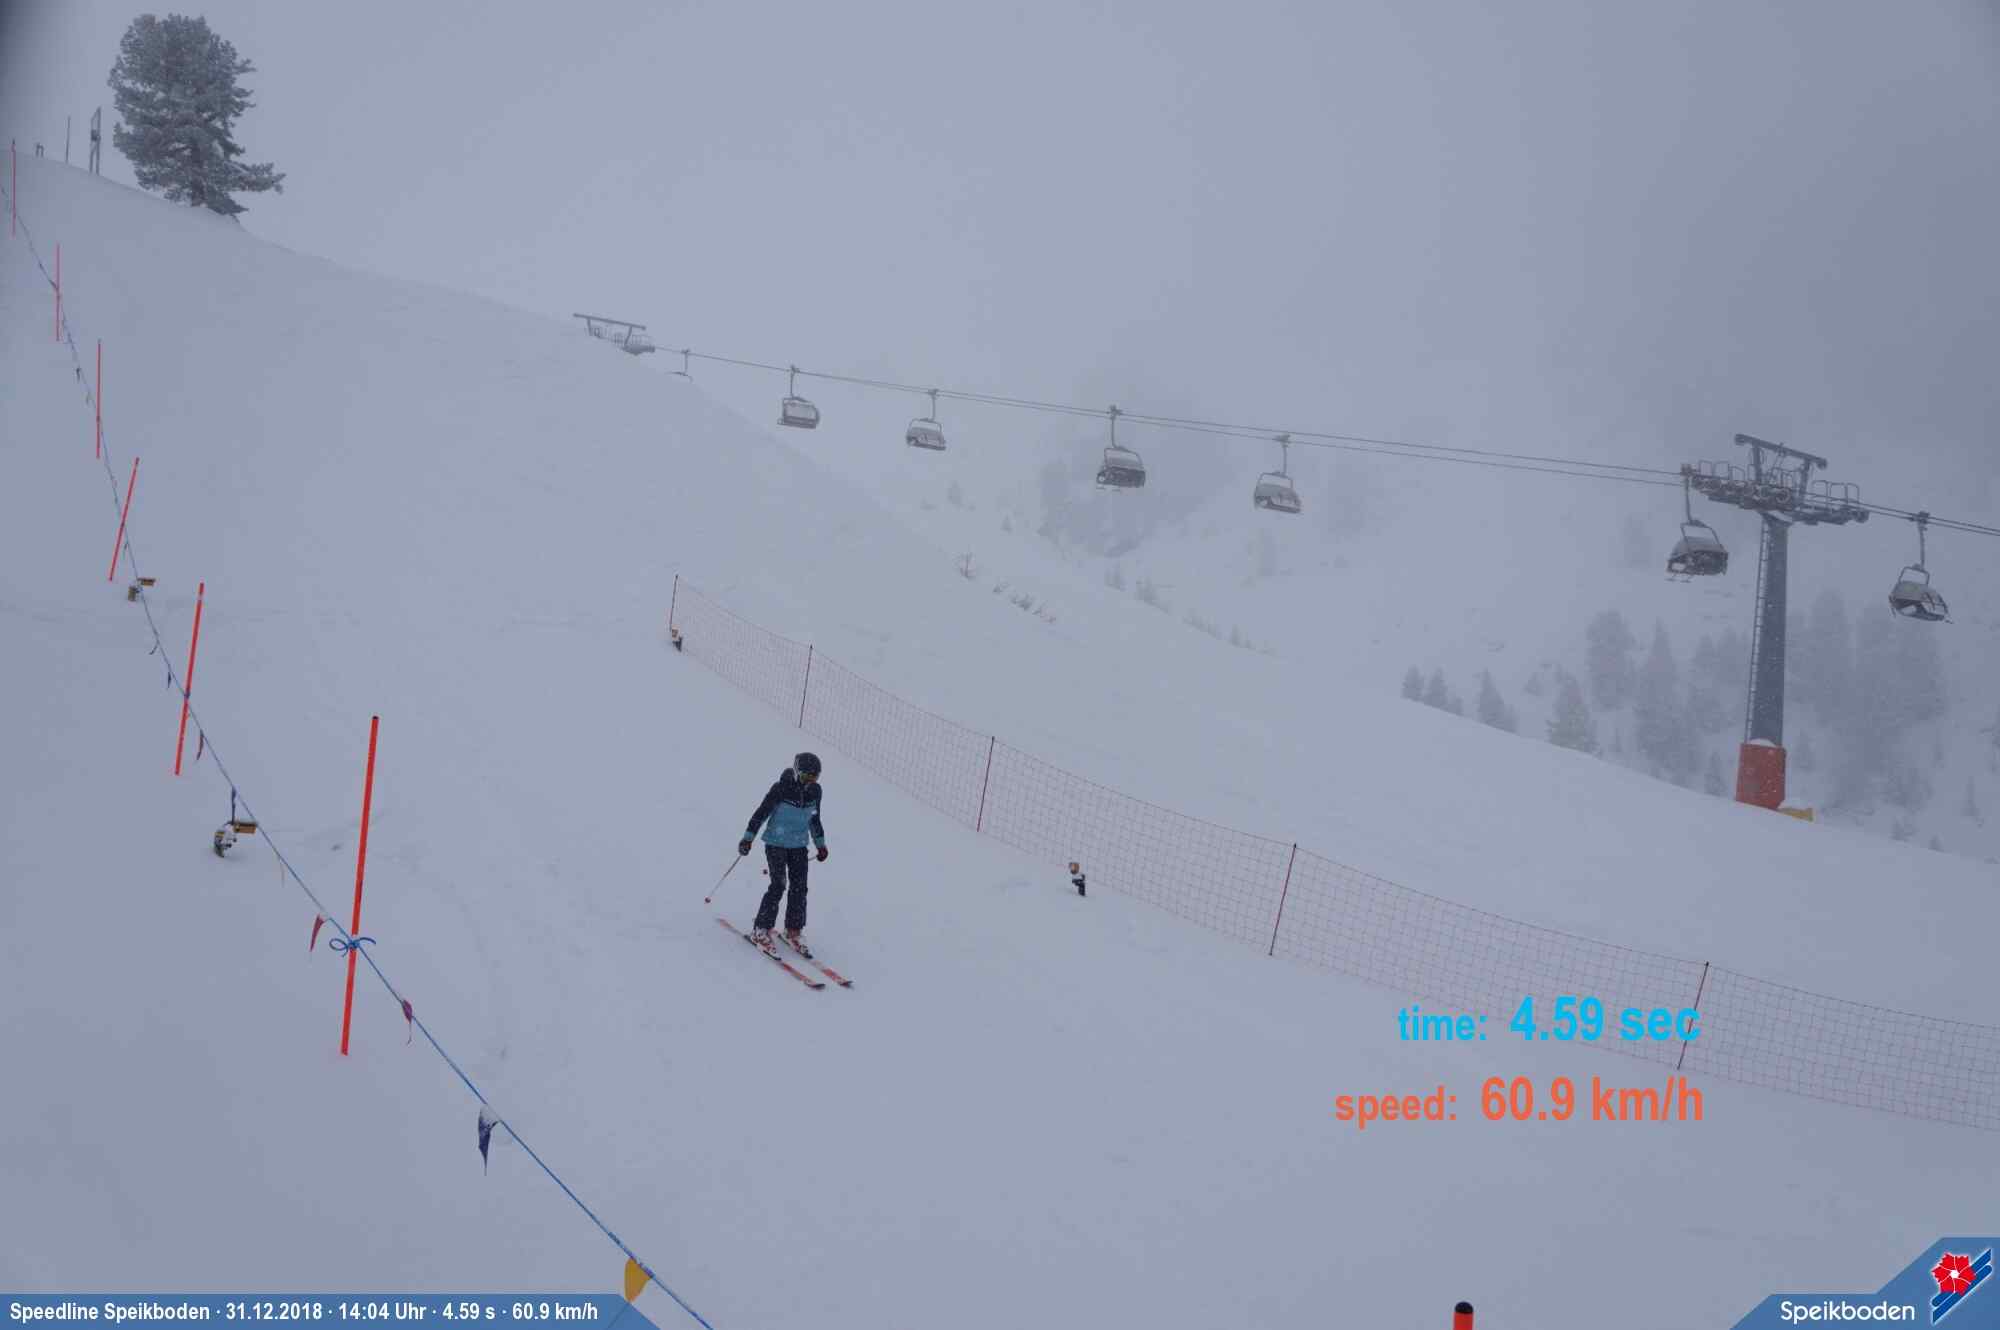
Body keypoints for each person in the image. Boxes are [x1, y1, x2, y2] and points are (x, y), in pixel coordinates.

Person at [738, 752, 828, 950]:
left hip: (799, 845)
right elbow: (761, 813)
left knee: (800, 887)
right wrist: (747, 839)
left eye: (814, 778)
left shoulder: (815, 792)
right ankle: (761, 929)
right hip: (775, 843)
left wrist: (820, 845)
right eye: (805, 776)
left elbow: (814, 818)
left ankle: (793, 929)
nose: (809, 781)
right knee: (778, 884)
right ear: (796, 772)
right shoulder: (781, 788)